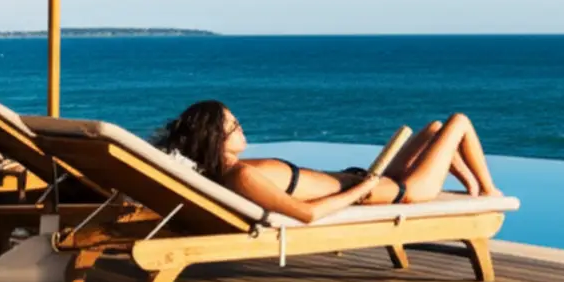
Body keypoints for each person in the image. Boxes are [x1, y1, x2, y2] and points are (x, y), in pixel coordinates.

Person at [153, 101, 502, 224]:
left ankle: (472, 187)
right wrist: (362, 188)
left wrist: (362, 181)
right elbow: (307, 214)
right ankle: (488, 192)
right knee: (458, 122)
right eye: (234, 125)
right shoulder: (241, 175)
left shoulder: (230, 171)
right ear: (217, 138)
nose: (242, 128)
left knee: (435, 130)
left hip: (370, 181)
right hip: (401, 192)